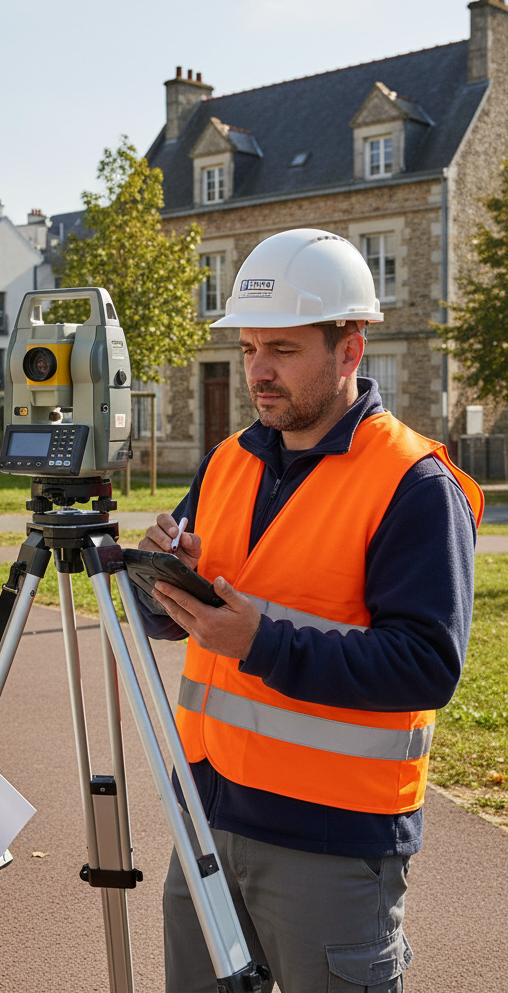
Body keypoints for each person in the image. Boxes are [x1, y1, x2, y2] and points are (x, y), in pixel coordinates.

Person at [137, 228, 483, 993]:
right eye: (250, 347)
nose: (258, 372)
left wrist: (262, 643)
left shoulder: (415, 485)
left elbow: (427, 666)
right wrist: (164, 583)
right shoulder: (230, 460)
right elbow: (179, 621)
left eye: (284, 350)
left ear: (350, 350)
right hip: (209, 817)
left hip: (330, 844)